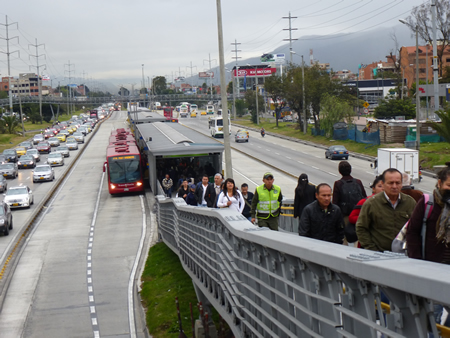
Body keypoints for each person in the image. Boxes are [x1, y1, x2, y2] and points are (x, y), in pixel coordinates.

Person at [406, 162, 450, 331]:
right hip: (432, 271)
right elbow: (412, 233)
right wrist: (418, 265)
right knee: (433, 317)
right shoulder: (427, 204)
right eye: (449, 185)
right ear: (439, 183)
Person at [356, 168, 416, 252]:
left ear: (402, 184)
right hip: (378, 255)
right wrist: (372, 249)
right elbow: (361, 228)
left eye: (397, 183)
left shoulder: (410, 202)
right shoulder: (371, 203)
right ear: (383, 184)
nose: (394, 186)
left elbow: (416, 228)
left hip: (403, 256)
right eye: (391, 183)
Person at [347, 175, 384, 244]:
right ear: (373, 189)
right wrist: (367, 220)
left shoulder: (394, 203)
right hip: (368, 241)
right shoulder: (365, 201)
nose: (383, 189)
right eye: (380, 186)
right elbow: (352, 217)